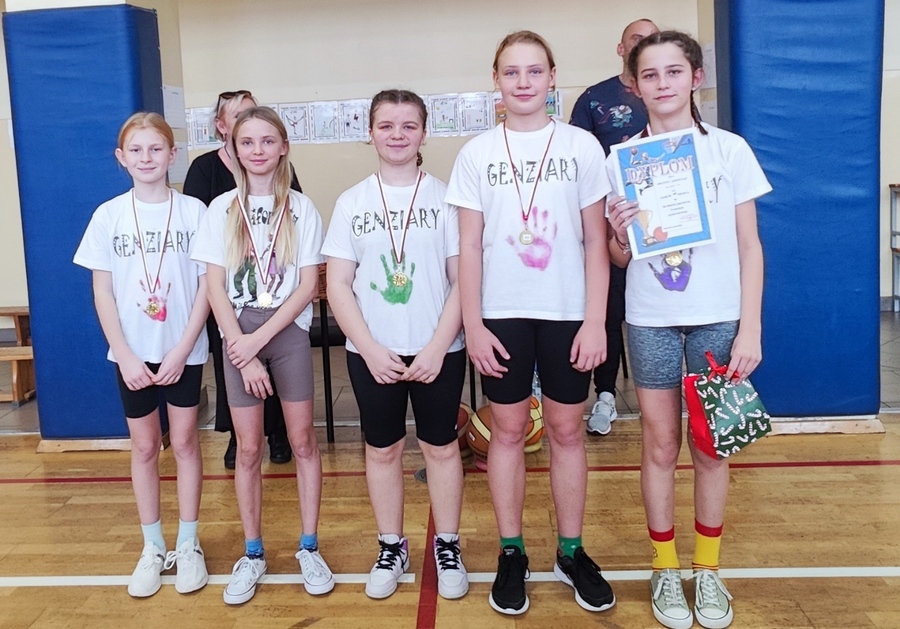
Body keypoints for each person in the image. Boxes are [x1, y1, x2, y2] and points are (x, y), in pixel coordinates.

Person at [446, 30, 614, 615]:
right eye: (511, 72)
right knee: (509, 433)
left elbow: (595, 241)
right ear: (496, 80)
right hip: (502, 315)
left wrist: (596, 321)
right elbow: (469, 248)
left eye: (534, 71)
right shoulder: (476, 154)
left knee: (567, 432)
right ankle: (512, 551)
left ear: (552, 78)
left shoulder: (582, 147)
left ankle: (571, 551)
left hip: (568, 313)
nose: (523, 82)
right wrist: (473, 324)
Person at [606, 31, 770, 629]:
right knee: (658, 444)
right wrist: (620, 232)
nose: (663, 84)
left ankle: (707, 568)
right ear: (635, 86)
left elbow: (750, 246)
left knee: (709, 444)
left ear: (695, 77)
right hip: (651, 317)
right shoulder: (621, 159)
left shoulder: (729, 150)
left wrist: (750, 328)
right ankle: (665, 567)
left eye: (674, 71)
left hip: (718, 317)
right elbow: (619, 257)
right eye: (650, 75)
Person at [323, 90, 468, 601]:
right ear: (370, 132)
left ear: (424, 132)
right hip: (373, 353)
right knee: (381, 449)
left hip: (438, 350)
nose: (397, 134)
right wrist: (367, 346)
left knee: (441, 448)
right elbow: (338, 284)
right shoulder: (352, 202)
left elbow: (462, 280)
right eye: (386, 125)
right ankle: (391, 546)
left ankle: (447, 545)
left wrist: (437, 346)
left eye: (408, 125)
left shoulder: (447, 199)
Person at [191, 106, 334, 604]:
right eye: (247, 142)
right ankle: (252, 552)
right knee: (248, 448)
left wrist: (259, 341)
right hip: (238, 336)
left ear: (283, 147)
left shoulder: (301, 209)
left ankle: (309, 546)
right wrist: (242, 349)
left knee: (302, 441)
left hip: (285, 333)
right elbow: (214, 286)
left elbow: (307, 287)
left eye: (267, 141)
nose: (258, 150)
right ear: (233, 150)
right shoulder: (219, 209)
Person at [74, 112, 210, 598]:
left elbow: (206, 287)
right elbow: (102, 292)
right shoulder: (108, 215)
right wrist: (125, 354)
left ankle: (188, 543)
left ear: (172, 154)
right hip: (131, 354)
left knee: (186, 442)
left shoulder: (194, 212)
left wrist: (183, 348)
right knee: (146, 446)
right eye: (136, 150)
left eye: (156, 149)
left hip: (182, 350)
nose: (146, 158)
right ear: (121, 157)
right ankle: (153, 546)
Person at [183, 89, 301, 469]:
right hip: (232, 295)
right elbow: (206, 247)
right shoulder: (207, 175)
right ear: (223, 128)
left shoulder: (290, 190)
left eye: (254, 113)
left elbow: (292, 226)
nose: (255, 141)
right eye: (239, 118)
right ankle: (241, 435)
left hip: (276, 294)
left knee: (280, 370)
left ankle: (277, 431)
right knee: (235, 367)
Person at [570, 18, 659, 436]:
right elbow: (576, 164)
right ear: (621, 49)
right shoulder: (595, 99)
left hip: (665, 225)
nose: (645, 45)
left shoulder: (665, 96)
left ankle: (661, 397)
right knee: (607, 310)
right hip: (609, 224)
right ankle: (604, 395)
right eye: (636, 40)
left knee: (653, 312)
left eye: (652, 39)